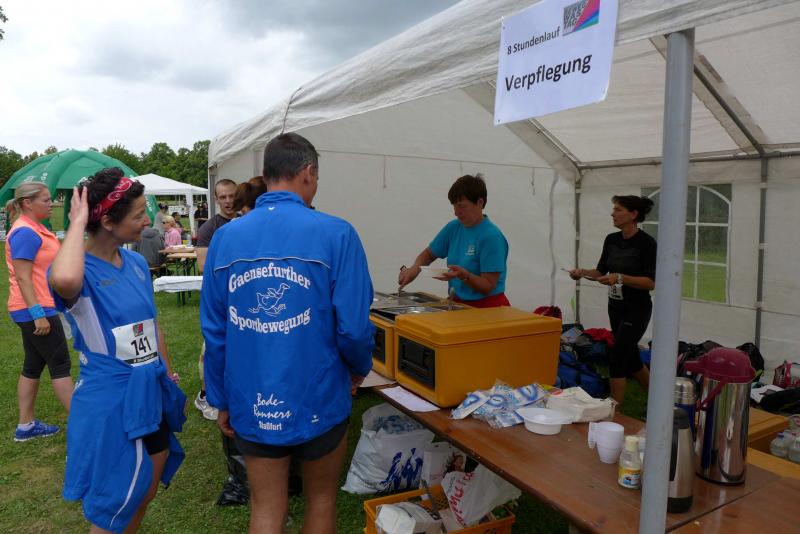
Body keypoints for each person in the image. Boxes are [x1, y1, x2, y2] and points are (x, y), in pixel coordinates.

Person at [201, 132, 374, 533]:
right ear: (308, 173)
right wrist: (358, 368)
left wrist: (220, 397)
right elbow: (353, 326)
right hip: (320, 394)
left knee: (265, 508)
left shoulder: (226, 237)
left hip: (251, 397)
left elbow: (215, 330)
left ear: (267, 174)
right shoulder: (338, 233)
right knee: (321, 500)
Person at [49, 168, 186, 533]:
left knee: (145, 491)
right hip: (112, 401)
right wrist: (77, 222)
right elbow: (64, 280)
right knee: (116, 504)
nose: (147, 221)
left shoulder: (137, 262)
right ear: (108, 221)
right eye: (139, 214)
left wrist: (168, 377)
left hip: (150, 390)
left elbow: (152, 326)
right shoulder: (79, 272)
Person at [569, 195, 656, 406]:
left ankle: (613, 409)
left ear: (633, 214)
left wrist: (620, 277)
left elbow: (650, 283)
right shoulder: (611, 240)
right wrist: (581, 272)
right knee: (631, 358)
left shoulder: (647, 243)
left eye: (618, 210)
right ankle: (659, 401)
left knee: (617, 356)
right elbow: (600, 271)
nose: (612, 214)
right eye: (613, 209)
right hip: (615, 307)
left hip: (637, 308)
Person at [5, 183, 73, 441]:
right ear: (27, 203)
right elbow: (23, 277)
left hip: (38, 306)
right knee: (60, 364)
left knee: (33, 365)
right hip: (35, 308)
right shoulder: (25, 232)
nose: (51, 203)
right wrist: (37, 314)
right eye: (45, 200)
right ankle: (86, 425)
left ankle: (26, 426)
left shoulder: (36, 228)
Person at [398, 174, 510, 308]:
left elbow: (488, 286)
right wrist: (414, 269)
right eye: (454, 206)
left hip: (489, 308)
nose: (456, 212)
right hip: (459, 303)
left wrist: (465, 276)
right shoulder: (453, 227)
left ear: (480, 203)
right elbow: (429, 254)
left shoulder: (491, 237)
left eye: (462, 206)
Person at [194, 178, 237, 420]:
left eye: (232, 195)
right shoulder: (209, 229)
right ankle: (205, 394)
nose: (228, 201)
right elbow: (203, 266)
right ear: (216, 199)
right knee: (211, 348)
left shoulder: (247, 221)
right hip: (219, 301)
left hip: (242, 299)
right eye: (223, 197)